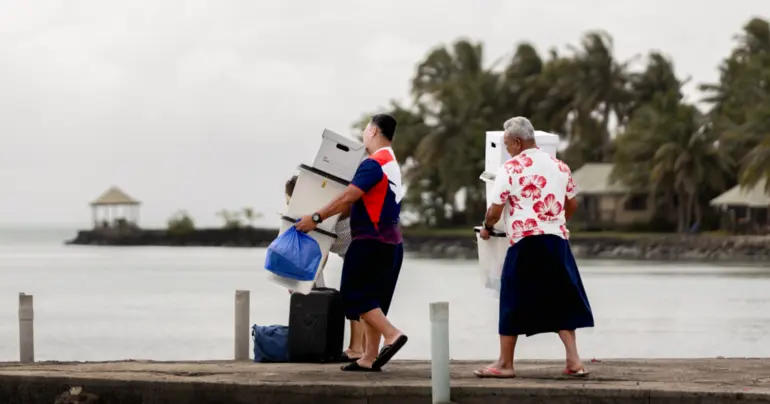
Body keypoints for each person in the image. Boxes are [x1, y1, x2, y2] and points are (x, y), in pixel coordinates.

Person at [475, 116, 594, 378]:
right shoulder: (560, 166)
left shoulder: (510, 168)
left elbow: (494, 210)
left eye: (508, 144)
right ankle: (574, 361)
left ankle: (505, 364)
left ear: (518, 143)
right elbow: (572, 203)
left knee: (511, 298)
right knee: (561, 298)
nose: (507, 149)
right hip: (556, 242)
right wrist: (555, 221)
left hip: (525, 243)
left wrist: (486, 228)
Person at [295, 113, 407, 372]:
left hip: (370, 241)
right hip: (392, 242)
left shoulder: (374, 164)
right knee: (372, 300)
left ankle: (392, 335)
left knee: (353, 295)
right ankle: (369, 357)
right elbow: (357, 203)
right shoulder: (391, 163)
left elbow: (348, 196)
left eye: (367, 129)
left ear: (374, 131)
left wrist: (315, 217)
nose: (364, 133)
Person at [284, 175, 366, 361]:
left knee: (356, 297)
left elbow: (321, 252)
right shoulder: (318, 212)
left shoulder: (319, 213)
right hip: (358, 249)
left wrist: (303, 282)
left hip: (363, 248)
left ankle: (357, 349)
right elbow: (321, 251)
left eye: (290, 200)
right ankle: (364, 350)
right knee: (362, 299)